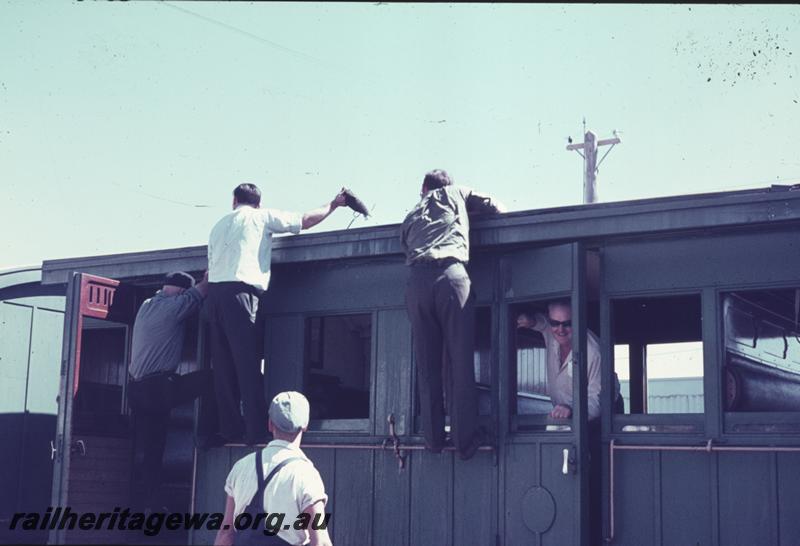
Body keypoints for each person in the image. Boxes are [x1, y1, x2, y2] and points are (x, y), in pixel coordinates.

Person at [206, 183, 350, 445]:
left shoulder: (218, 226)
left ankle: (228, 429)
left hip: (214, 296)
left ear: (234, 201)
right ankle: (254, 431)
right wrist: (333, 205)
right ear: (258, 203)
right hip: (241, 293)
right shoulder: (261, 217)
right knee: (248, 365)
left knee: (223, 367)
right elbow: (304, 221)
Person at [400, 169, 506, 460]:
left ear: (423, 188)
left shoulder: (411, 213)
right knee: (460, 363)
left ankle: (433, 440)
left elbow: (405, 244)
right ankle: (465, 442)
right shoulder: (458, 192)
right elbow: (495, 206)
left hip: (417, 282)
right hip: (451, 276)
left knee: (427, 366)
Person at [128, 270, 210, 512]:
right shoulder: (174, 308)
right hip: (157, 388)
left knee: (152, 450)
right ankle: (212, 431)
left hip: (137, 390)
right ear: (182, 291)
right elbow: (203, 290)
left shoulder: (147, 305)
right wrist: (208, 277)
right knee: (211, 378)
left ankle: (149, 506)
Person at [215, 391, 332, 546]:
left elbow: (226, 533)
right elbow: (320, 542)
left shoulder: (241, 467)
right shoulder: (306, 475)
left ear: (270, 424)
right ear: (305, 426)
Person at [515, 299, 604, 420]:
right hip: (565, 416)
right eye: (555, 323)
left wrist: (572, 409)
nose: (560, 330)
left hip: (597, 417)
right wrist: (532, 321)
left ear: (578, 320)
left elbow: (598, 400)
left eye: (567, 323)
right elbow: (544, 323)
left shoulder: (594, 351)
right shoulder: (551, 331)